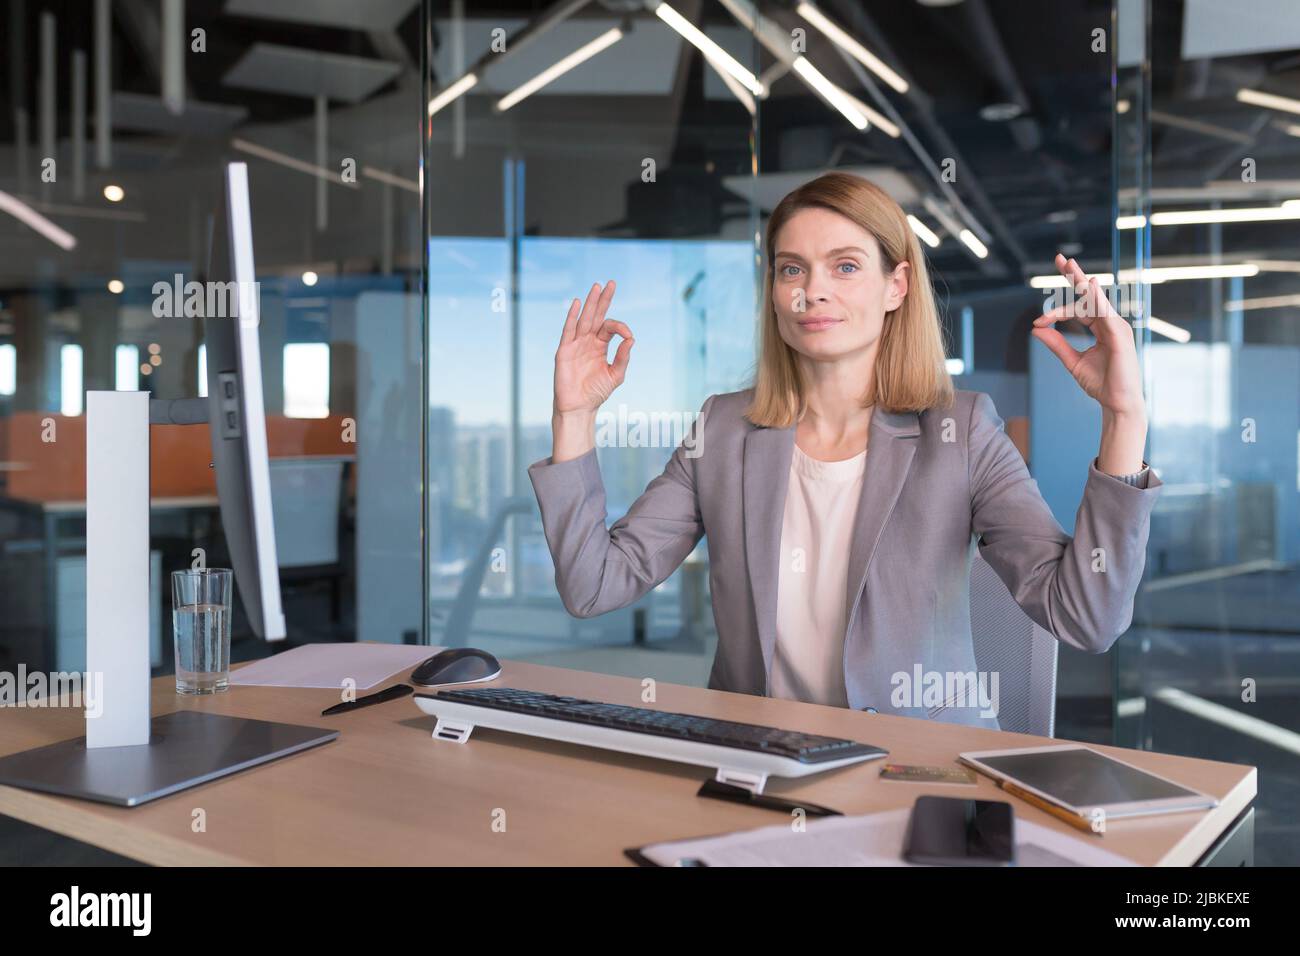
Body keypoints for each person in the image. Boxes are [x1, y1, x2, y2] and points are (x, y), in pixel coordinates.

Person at [527, 171, 1161, 728]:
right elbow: (593, 587)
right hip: (757, 769)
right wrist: (574, 416)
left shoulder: (961, 433)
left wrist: (1122, 418)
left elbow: (1085, 618)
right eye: (792, 268)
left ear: (897, 286)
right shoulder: (722, 429)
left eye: (847, 266)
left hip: (915, 775)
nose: (814, 290)